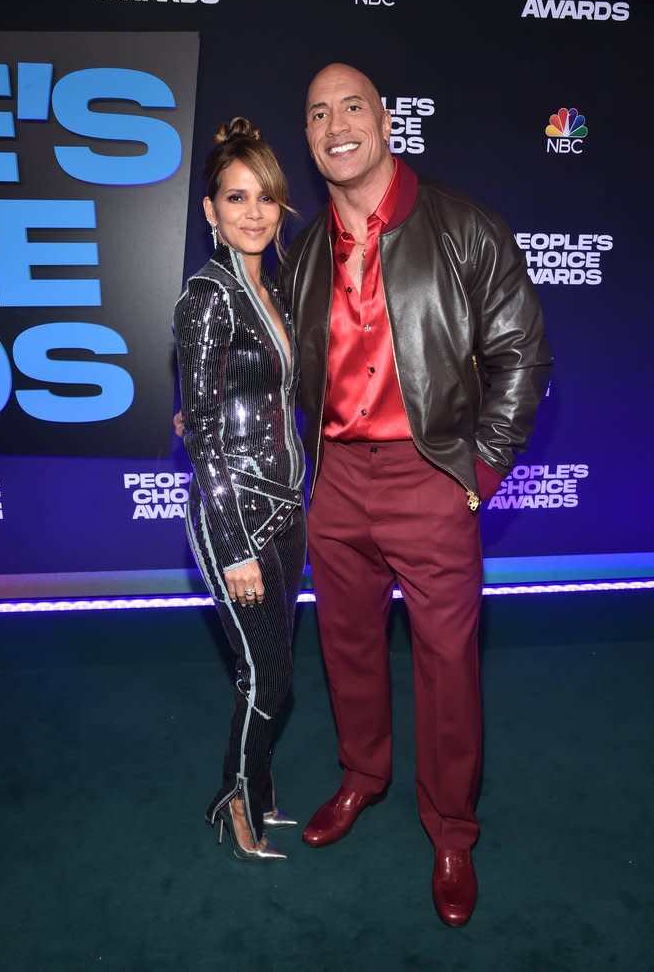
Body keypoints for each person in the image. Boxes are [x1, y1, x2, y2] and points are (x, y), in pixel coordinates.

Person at [279, 63, 552, 924]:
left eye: (351, 106)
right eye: (318, 113)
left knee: (446, 666)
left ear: (387, 122)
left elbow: (522, 356)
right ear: (311, 140)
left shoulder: (464, 228)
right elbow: (285, 371)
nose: (335, 124)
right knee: (346, 648)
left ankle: (451, 830)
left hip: (430, 474)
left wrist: (475, 473)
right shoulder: (308, 250)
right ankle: (362, 777)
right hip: (336, 482)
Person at [173, 117, 307, 862]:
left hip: (288, 511)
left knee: (268, 671)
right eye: (235, 197)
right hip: (237, 521)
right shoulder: (207, 298)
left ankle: (257, 793)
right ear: (210, 212)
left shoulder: (274, 294)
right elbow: (206, 439)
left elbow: (239, 404)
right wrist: (233, 550)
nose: (252, 213)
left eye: (265, 198)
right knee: (272, 674)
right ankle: (237, 800)